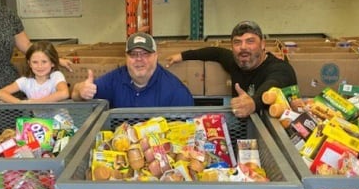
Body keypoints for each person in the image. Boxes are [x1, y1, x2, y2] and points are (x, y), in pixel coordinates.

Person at [165, 21, 297, 118]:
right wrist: (182, 56)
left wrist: (253, 103)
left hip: (278, 140)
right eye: (237, 42)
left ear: (262, 45)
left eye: (250, 41)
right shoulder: (236, 62)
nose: (243, 47)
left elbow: (273, 84)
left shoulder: (280, 68)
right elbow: (215, 53)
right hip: (244, 133)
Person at [72, 32, 194, 108]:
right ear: (126, 57)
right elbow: (75, 94)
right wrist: (80, 90)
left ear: (156, 56)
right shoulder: (114, 79)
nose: (139, 59)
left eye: (145, 54)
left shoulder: (176, 91)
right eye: (133, 54)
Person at [0, 41, 69, 103]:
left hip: (60, 120)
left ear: (52, 63)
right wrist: (19, 103)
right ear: (29, 63)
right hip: (38, 120)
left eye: (44, 62)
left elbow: (64, 93)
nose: (40, 66)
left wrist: (35, 102)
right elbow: (0, 93)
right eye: (35, 62)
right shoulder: (25, 81)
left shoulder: (56, 76)